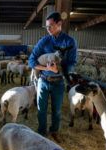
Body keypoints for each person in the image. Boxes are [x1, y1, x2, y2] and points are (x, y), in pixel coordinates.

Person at [28, 11, 77, 142]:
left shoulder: (69, 41)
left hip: (59, 82)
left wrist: (58, 69)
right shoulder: (44, 41)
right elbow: (31, 61)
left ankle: (54, 130)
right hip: (43, 81)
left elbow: (72, 63)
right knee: (41, 109)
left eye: (50, 26)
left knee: (57, 111)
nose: (48, 29)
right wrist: (46, 68)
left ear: (59, 24)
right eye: (47, 27)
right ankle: (42, 132)